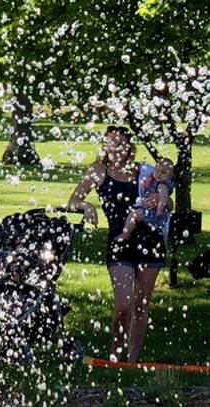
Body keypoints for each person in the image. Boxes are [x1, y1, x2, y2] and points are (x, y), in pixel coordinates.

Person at [67, 125, 165, 363]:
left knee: (141, 304)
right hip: (120, 241)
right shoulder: (98, 170)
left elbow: (168, 203)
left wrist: (162, 199)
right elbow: (73, 200)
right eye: (109, 142)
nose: (113, 148)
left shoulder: (144, 172)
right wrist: (87, 206)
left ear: (129, 147)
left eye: (118, 143)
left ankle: (131, 361)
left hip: (150, 240)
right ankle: (116, 356)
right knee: (124, 303)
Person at [115, 156, 174, 244]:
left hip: (153, 213)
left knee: (133, 216)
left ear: (170, 175)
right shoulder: (153, 179)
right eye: (156, 171)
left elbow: (164, 198)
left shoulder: (162, 185)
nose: (159, 174)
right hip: (150, 211)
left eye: (163, 172)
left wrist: (159, 210)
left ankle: (126, 233)